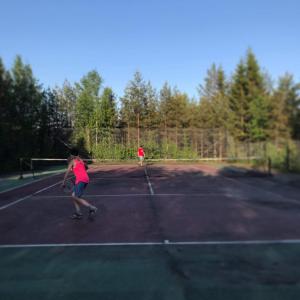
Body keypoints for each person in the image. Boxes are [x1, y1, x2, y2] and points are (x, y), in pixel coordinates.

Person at [62, 148, 97, 220]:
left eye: (70, 154)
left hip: (81, 180)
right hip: (86, 179)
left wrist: (63, 182)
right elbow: (87, 167)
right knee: (73, 195)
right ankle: (78, 213)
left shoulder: (72, 161)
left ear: (72, 155)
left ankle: (91, 207)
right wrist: (78, 170)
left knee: (76, 197)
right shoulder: (81, 160)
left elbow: (67, 172)